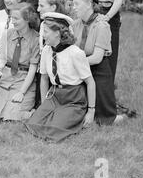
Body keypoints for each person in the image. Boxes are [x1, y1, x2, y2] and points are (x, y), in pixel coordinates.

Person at [23, 12, 96, 142]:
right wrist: (44, 103)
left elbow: (90, 82)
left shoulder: (75, 53)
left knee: (55, 128)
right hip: (55, 95)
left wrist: (91, 111)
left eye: (45, 31)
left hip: (73, 98)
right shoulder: (47, 50)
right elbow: (44, 78)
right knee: (33, 124)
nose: (42, 35)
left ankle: (69, 117)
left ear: (57, 33)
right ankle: (52, 113)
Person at [72, 0, 134, 125]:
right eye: (73, 4)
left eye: (77, 4)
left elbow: (97, 58)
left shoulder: (102, 25)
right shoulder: (75, 25)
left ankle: (119, 116)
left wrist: (73, 63)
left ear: (89, 4)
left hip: (97, 71)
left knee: (102, 120)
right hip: (80, 68)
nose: (73, 7)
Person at [0, 5, 40, 121]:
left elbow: (33, 69)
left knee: (13, 116)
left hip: (23, 80)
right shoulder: (7, 34)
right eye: (12, 18)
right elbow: (1, 60)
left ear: (27, 19)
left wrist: (22, 92)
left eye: (16, 19)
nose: (13, 21)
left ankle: (31, 111)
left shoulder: (36, 39)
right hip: (6, 78)